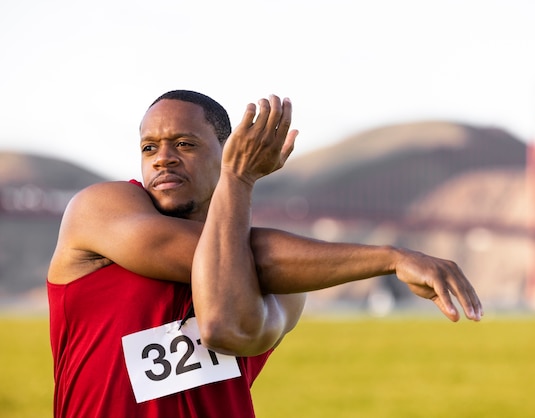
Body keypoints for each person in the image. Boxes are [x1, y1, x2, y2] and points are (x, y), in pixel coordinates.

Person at [47, 90, 483, 417]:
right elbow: (228, 254)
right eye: (149, 147)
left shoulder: (288, 278)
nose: (162, 159)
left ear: (226, 152)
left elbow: (226, 326)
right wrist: (390, 257)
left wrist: (236, 183)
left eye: (184, 144)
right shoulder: (99, 210)